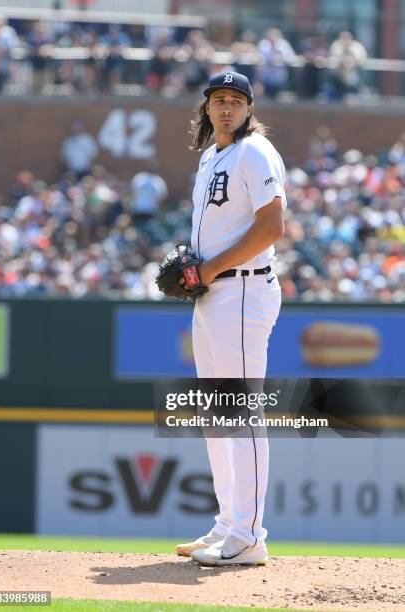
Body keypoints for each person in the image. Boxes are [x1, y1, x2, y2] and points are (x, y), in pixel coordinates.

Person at [176, 71, 286, 565]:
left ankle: (249, 536)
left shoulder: (255, 152)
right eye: (218, 100)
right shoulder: (210, 155)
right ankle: (227, 525)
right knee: (216, 416)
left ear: (248, 109)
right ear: (206, 108)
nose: (226, 108)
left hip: (243, 289)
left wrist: (210, 268)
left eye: (235, 101)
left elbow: (272, 226)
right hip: (215, 293)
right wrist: (192, 265)